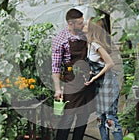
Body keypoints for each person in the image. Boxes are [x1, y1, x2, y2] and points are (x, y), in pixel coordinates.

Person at [52, 8, 96, 140]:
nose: (83, 25)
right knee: (68, 116)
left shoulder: (85, 35)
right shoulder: (60, 40)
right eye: (80, 23)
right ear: (70, 23)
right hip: (71, 81)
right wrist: (58, 89)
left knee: (84, 116)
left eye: (83, 22)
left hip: (87, 80)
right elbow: (56, 67)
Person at [84, 16, 124, 140]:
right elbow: (98, 64)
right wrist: (91, 73)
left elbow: (110, 63)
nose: (84, 27)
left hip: (108, 85)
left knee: (111, 119)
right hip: (100, 85)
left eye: (86, 25)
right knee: (101, 118)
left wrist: (95, 76)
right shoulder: (90, 45)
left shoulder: (96, 45)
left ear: (92, 29)